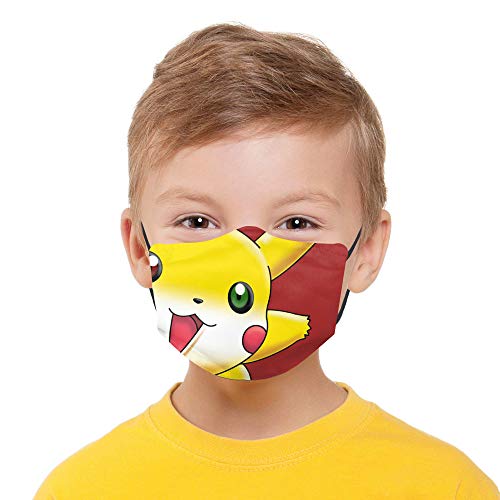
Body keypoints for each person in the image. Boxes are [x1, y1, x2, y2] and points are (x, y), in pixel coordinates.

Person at [34, 22, 499, 499]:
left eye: (296, 223)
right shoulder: (81, 489)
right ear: (139, 248)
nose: (242, 251)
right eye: (197, 222)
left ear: (367, 251)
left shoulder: (446, 487)